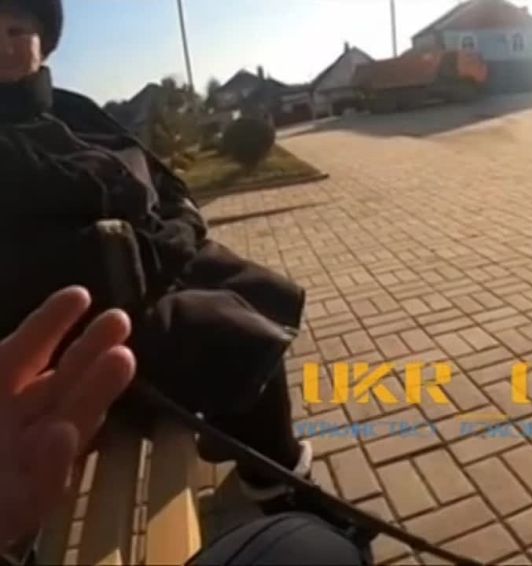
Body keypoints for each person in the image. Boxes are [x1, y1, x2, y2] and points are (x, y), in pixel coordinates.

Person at [0, 0, 314, 511]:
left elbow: (157, 178)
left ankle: (252, 451)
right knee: (234, 335)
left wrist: (181, 223)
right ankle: (281, 489)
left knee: (261, 290)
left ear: (44, 42)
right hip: (91, 324)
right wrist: (163, 245)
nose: (5, 44)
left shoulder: (72, 107)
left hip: (152, 267)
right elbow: (41, 259)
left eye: (18, 30)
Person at [0, 288, 368, 566]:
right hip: (120, 316)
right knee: (320, 548)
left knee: (255, 298)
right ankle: (272, 477)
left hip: (121, 308)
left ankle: (260, 459)